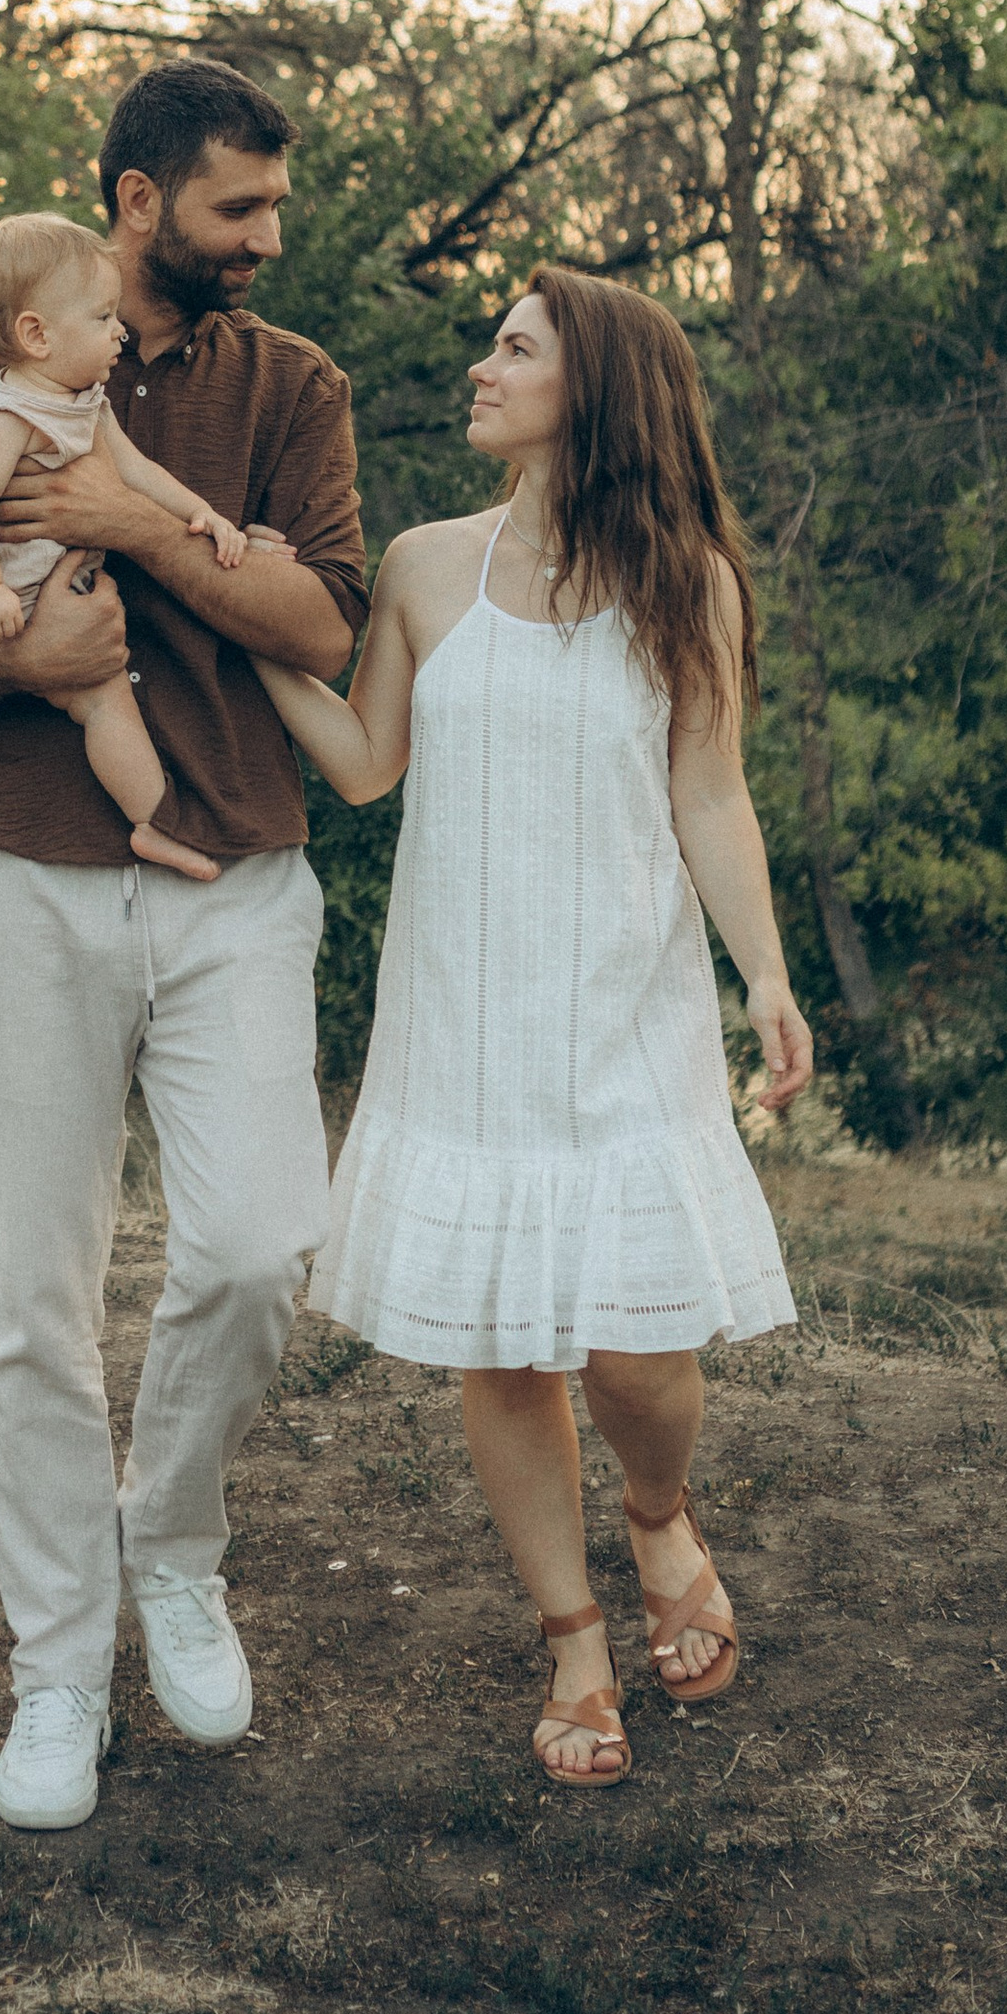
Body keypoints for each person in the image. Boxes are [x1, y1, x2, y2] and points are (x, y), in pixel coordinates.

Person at [0, 62, 368, 1831]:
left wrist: (144, 525)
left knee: (247, 1253)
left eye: (271, 210)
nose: (266, 240)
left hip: (237, 876)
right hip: (25, 874)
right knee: (37, 1307)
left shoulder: (292, 385)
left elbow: (327, 622)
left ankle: (176, 1549)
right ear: (140, 204)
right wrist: (28, 660)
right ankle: (58, 1668)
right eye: (239, 210)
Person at [255, 269, 810, 1789]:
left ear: (598, 390)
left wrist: (764, 973)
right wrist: (252, 641)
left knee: (641, 1351)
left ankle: (655, 1513)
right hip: (468, 1023)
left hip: (628, 1014)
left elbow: (710, 793)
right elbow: (368, 765)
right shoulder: (429, 569)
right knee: (502, 1348)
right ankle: (574, 1637)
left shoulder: (690, 581)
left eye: (516, 348)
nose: (482, 368)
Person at [0, 213, 249, 897]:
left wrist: (202, 514)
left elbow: (137, 474)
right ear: (36, 336)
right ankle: (147, 818)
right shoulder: (5, 416)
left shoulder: (83, 404)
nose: (120, 331)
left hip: (35, 587)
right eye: (103, 317)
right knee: (63, 697)